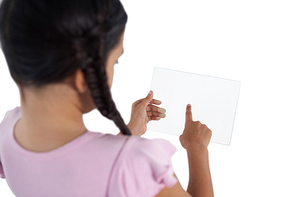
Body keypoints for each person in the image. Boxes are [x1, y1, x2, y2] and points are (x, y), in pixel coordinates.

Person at [0, 0, 214, 196]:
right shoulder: (134, 165)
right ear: (83, 76)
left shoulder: (8, 131)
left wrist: (132, 130)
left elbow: (78, 168)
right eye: (115, 62)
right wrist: (197, 149)